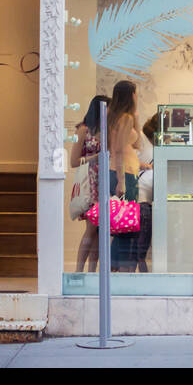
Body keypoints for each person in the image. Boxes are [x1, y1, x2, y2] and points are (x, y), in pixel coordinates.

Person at [105, 80, 141, 273]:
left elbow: (120, 148)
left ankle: (115, 268)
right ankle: (121, 269)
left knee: (119, 225)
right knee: (125, 226)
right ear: (131, 95)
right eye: (135, 93)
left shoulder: (113, 116)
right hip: (124, 174)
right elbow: (119, 150)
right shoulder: (126, 118)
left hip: (120, 170)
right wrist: (120, 181)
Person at [73, 94, 109, 273]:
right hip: (90, 182)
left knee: (98, 232)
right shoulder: (83, 130)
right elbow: (73, 161)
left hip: (103, 182)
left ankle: (92, 272)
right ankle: (79, 270)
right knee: (91, 228)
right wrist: (97, 157)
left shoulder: (104, 130)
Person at [134, 112, 157, 273]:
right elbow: (129, 160)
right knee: (142, 237)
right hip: (140, 195)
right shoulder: (141, 138)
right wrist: (146, 166)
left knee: (144, 237)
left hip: (148, 196)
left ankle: (141, 269)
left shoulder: (156, 143)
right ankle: (139, 270)